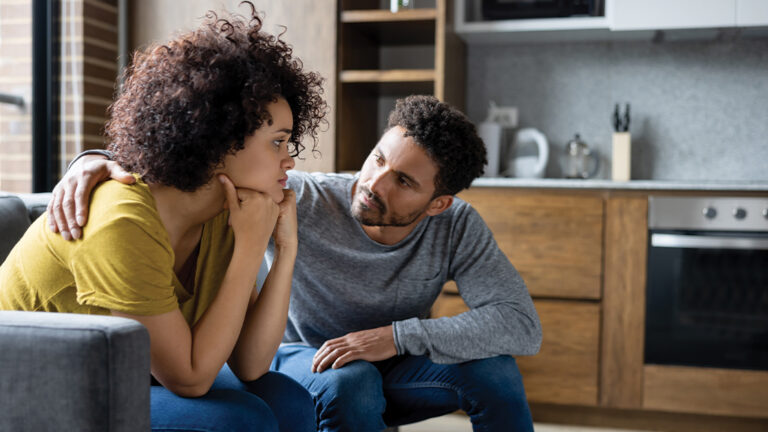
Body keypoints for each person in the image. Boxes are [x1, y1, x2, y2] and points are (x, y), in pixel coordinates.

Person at [51, 95, 543, 431]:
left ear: (438, 203)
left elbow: (520, 325)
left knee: (496, 372)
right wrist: (93, 160)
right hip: (301, 358)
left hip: (396, 364)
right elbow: (191, 164)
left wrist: (394, 338)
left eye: (404, 182)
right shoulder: (303, 197)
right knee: (353, 382)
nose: (374, 183)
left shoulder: (457, 225)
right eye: (378, 159)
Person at [0, 4, 327, 432]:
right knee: (241, 420)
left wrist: (285, 250)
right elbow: (190, 379)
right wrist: (250, 247)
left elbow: (250, 363)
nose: (290, 161)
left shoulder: (226, 213)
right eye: (277, 142)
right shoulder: (121, 220)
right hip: (35, 388)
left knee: (290, 402)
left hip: (125, 375)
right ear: (218, 139)